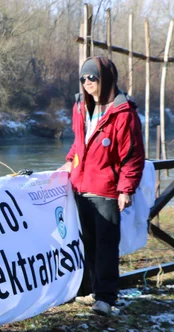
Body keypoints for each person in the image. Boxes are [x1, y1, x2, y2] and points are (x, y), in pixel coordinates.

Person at [58, 56, 145, 316]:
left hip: (106, 189)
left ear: (105, 78)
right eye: (83, 79)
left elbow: (133, 155)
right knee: (87, 243)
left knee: (106, 245)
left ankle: (106, 297)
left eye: (92, 78)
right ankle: (90, 290)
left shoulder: (123, 112)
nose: (87, 83)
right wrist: (68, 163)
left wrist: (126, 188)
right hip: (80, 187)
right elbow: (78, 143)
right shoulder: (80, 107)